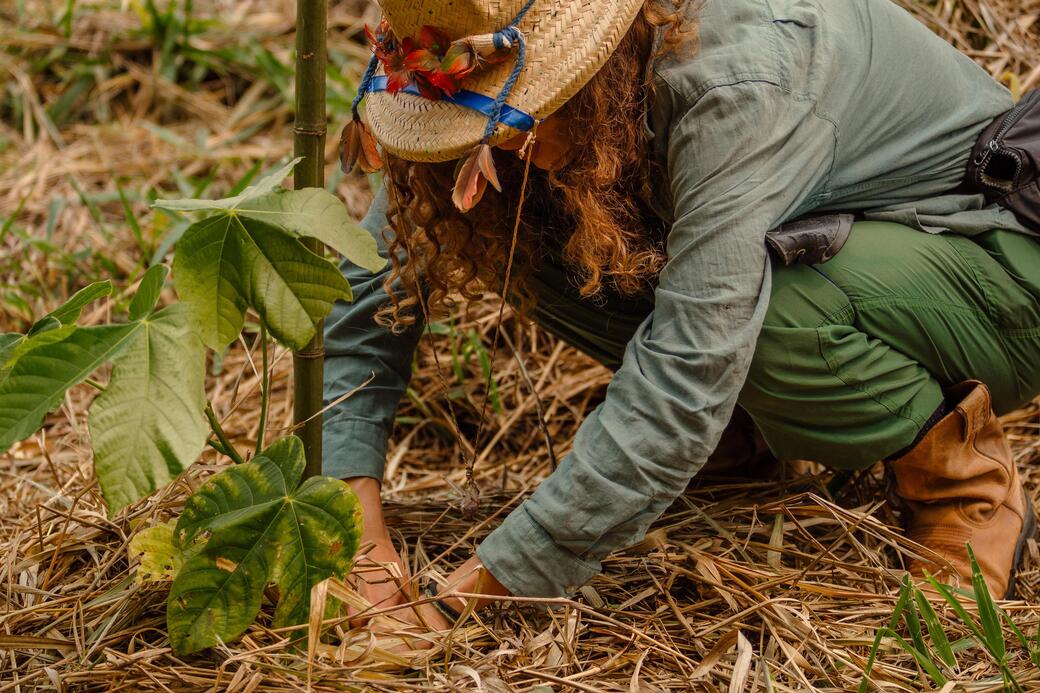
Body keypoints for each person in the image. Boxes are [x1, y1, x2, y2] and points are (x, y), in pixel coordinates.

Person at [325, 0, 1040, 630]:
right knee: (489, 215)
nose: (506, 139)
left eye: (521, 112)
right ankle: (748, 434)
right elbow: (374, 269)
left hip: (990, 269)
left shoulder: (734, 80)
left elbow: (689, 370)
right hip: (841, 240)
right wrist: (353, 530)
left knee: (773, 311)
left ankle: (962, 482)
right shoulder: (506, 86)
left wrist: (473, 596)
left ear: (588, 53)